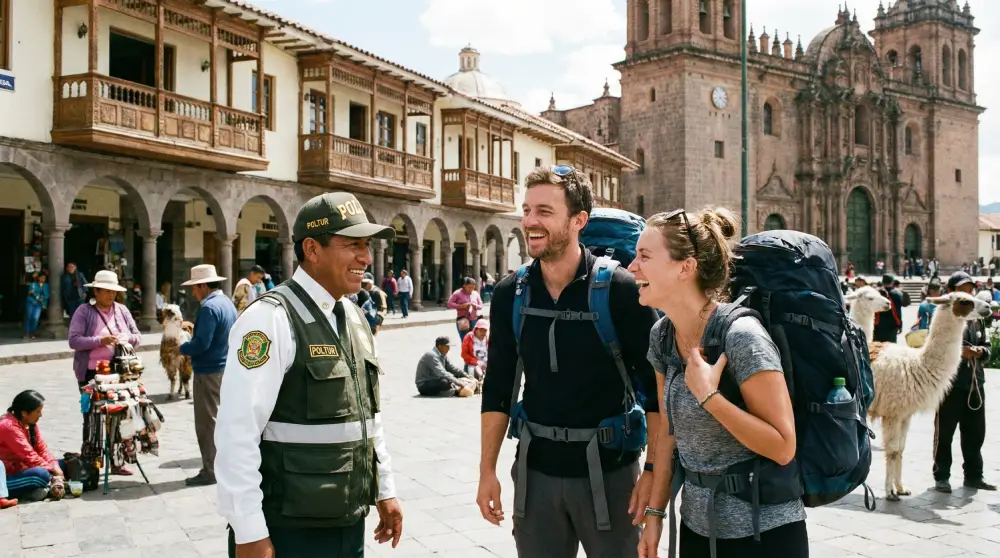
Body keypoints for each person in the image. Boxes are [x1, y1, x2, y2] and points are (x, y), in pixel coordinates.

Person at [477, 166, 659, 558]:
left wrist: (652, 475)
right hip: (535, 475)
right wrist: (486, 471)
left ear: (578, 220)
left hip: (611, 477)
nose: (529, 221)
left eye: (544, 211)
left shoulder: (619, 290)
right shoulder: (512, 293)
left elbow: (655, 391)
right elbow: (497, 387)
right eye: (526, 210)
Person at [215, 192, 402, 558]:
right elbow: (237, 433)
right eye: (353, 245)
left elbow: (368, 418)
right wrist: (249, 531)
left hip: (347, 521)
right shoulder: (269, 319)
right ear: (313, 250)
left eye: (367, 245)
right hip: (290, 529)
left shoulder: (355, 318)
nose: (366, 257)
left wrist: (385, 489)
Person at [630, 207, 806, 558]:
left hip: (763, 535)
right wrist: (655, 513)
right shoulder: (662, 336)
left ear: (686, 267)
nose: (631, 267)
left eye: (644, 256)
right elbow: (667, 432)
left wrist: (710, 397)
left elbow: (783, 446)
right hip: (697, 529)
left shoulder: (742, 337)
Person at [68, 270, 141, 475]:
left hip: (118, 372)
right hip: (90, 373)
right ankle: (91, 464)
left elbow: (137, 336)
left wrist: (125, 338)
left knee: (118, 415)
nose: (110, 296)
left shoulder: (122, 310)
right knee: (91, 417)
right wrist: (101, 340)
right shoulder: (84, 312)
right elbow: (74, 340)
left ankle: (117, 461)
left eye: (113, 292)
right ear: (96, 291)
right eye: (106, 291)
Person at [932, 271, 996, 494]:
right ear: (951, 292)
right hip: (951, 384)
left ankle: (974, 475)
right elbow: (936, 349)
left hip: (974, 383)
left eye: (971, 290)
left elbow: (987, 348)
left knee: (975, 432)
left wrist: (980, 352)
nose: (969, 293)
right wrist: (961, 352)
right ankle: (942, 476)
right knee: (945, 433)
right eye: (963, 290)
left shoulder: (976, 319)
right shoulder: (943, 316)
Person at [178, 264, 237, 487]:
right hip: (224, 369)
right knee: (220, 420)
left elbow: (202, 343)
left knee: (207, 423)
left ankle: (210, 470)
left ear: (203, 286)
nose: (194, 292)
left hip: (209, 371)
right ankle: (223, 465)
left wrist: (182, 347)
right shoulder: (227, 304)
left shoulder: (209, 309)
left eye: (195, 288)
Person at [0, 391, 65, 502]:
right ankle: (47, 486)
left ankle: (44, 488)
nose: (41, 415)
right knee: (41, 475)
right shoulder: (8, 427)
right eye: (37, 412)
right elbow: (29, 456)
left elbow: (42, 449)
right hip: (7, 476)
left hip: (23, 468)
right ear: (24, 413)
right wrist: (53, 471)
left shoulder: (29, 423)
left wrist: (55, 467)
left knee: (65, 464)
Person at [872, 274, 904, 343]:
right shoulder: (897, 294)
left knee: (877, 347)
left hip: (877, 324)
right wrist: (900, 325)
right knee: (890, 348)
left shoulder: (876, 293)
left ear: (882, 282)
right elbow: (898, 311)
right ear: (892, 282)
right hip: (892, 325)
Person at [24, 272, 49, 339]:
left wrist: (44, 303)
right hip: (31, 302)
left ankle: (33, 332)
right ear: (38, 278)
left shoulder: (46, 285)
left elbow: (47, 295)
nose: (43, 279)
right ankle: (27, 332)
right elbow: (31, 292)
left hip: (39, 304)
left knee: (35, 318)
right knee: (29, 317)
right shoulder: (33, 284)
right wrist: (38, 297)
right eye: (41, 277)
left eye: (44, 278)